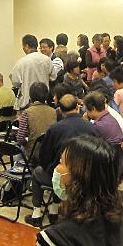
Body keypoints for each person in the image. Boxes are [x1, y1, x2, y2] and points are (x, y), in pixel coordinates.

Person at [27, 93, 97, 228]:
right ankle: (54, 209)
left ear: (60, 109)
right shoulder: (91, 127)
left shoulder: (55, 129)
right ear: (77, 107)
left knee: (38, 172)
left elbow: (44, 156)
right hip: (85, 177)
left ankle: (36, 214)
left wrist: (51, 167)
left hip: (63, 177)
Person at [83, 91, 123, 176]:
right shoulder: (112, 118)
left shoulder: (97, 126)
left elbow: (86, 146)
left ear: (93, 108)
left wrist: (85, 124)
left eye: (87, 110)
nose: (86, 113)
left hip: (105, 170)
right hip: (119, 165)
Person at [16, 83, 57, 164]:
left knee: (19, 151)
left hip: (34, 154)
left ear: (31, 95)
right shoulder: (54, 111)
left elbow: (20, 138)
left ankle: (19, 168)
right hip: (51, 153)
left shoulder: (26, 113)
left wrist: (27, 144)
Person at [10, 34, 52, 111]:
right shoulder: (47, 60)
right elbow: (53, 77)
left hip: (27, 103)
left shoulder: (21, 62)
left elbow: (15, 82)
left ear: (26, 46)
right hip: (44, 102)